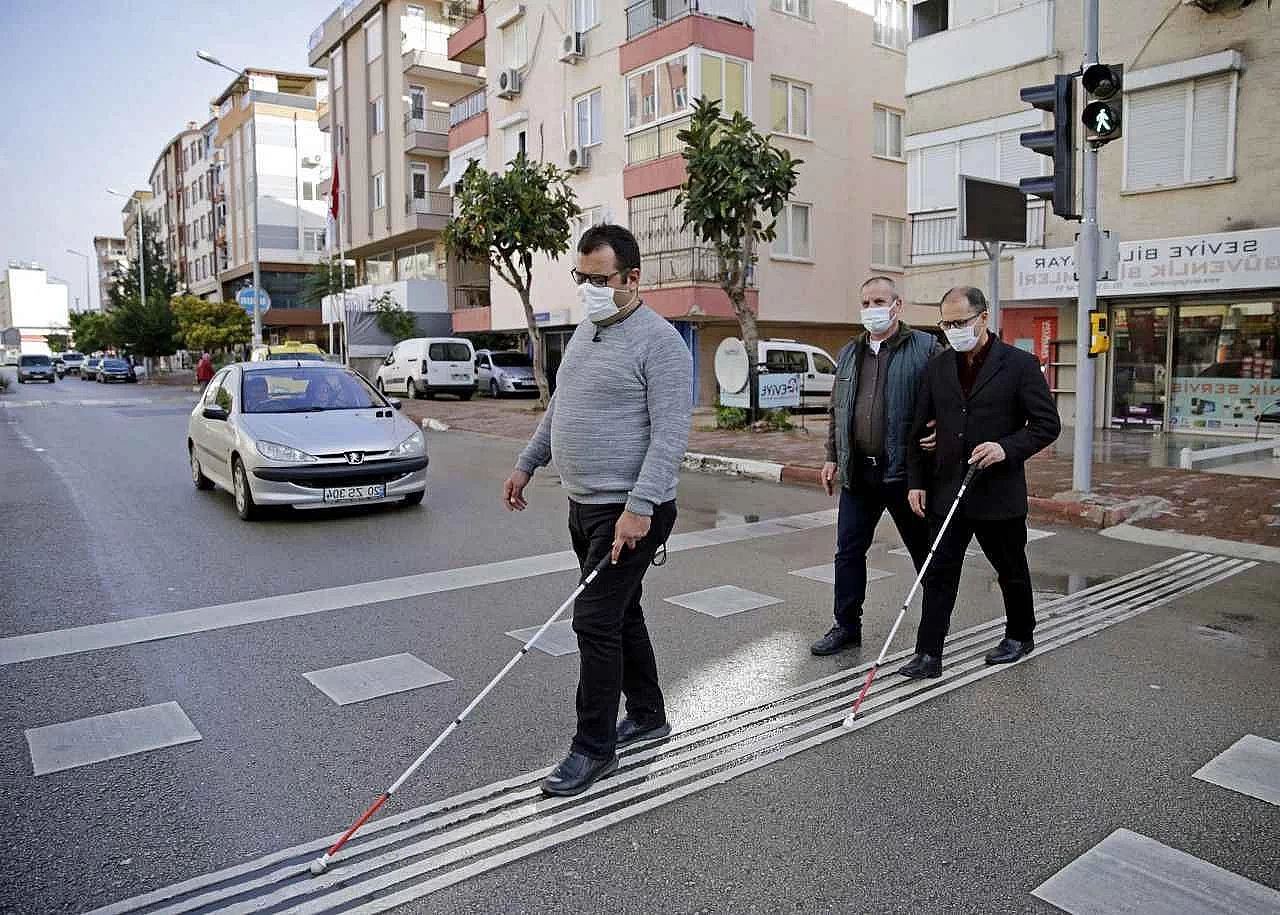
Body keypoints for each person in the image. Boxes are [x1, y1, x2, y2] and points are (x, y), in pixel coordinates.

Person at [503, 224, 692, 797]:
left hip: (630, 512)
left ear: (633, 278)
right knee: (622, 613)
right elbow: (560, 406)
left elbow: (670, 436)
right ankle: (649, 712)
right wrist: (527, 462)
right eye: (580, 277)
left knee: (593, 620)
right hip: (583, 505)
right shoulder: (586, 331)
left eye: (598, 279)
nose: (587, 288)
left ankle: (593, 748)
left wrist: (639, 509)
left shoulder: (659, 343)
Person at [900, 286, 1061, 678]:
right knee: (938, 573)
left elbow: (1047, 425)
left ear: (984, 318)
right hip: (947, 490)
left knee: (1010, 569)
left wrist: (1006, 448)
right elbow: (919, 428)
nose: (954, 330)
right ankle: (928, 653)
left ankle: (1020, 635)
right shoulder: (937, 367)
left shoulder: (1020, 365)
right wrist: (916, 481)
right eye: (947, 324)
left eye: (961, 322)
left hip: (997, 492)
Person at [811, 277, 941, 656]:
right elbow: (838, 411)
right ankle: (846, 626)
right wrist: (832, 456)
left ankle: (934, 631)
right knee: (848, 551)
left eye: (879, 301)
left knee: (925, 552)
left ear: (897, 305)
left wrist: (944, 431)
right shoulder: (851, 352)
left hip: (905, 474)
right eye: (866, 302)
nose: (872, 309)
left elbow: (949, 399)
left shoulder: (926, 348)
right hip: (859, 474)